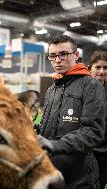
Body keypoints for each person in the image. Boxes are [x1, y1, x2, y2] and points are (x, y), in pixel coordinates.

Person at [37, 35, 105, 189]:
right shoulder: (51, 89)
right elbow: (50, 130)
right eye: (53, 56)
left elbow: (93, 131)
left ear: (75, 55)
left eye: (63, 54)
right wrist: (37, 130)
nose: (57, 59)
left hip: (79, 177)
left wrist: (55, 145)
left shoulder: (91, 85)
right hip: (52, 173)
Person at [88, 50, 107, 189]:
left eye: (105, 67)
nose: (101, 71)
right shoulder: (81, 90)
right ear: (90, 68)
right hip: (87, 153)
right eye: (98, 67)